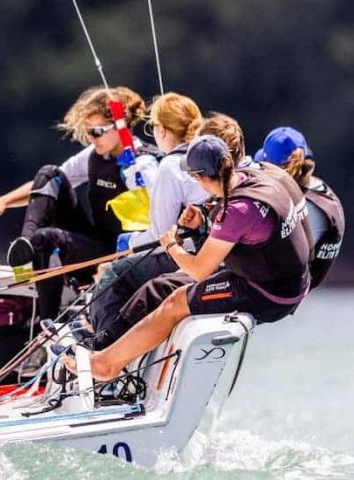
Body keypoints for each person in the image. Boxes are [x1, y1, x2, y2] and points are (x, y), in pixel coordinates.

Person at [78, 135, 313, 380]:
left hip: (270, 295)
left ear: (199, 177)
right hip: (292, 281)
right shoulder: (254, 177)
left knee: (176, 302)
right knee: (168, 284)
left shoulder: (237, 211)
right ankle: (112, 349)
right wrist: (202, 215)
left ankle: (106, 365)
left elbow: (199, 270)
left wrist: (171, 246)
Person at [0, 86, 158, 320]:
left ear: (121, 127)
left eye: (98, 131)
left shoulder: (144, 163)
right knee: (49, 174)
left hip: (124, 252)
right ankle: (25, 247)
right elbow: (45, 185)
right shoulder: (93, 156)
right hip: (97, 242)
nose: (92, 139)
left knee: (47, 239)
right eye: (88, 132)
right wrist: (2, 202)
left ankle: (47, 320)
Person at [88, 107, 239, 349]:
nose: (195, 180)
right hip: (209, 257)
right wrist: (200, 219)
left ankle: (104, 348)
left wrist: (132, 245)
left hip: (202, 262)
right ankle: (110, 343)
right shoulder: (239, 174)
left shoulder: (172, 165)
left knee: (116, 275)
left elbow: (166, 241)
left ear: (162, 130)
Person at [255, 127, 344, 288]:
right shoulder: (317, 191)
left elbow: (281, 259)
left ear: (275, 170)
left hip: (280, 287)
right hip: (293, 280)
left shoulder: (309, 208)